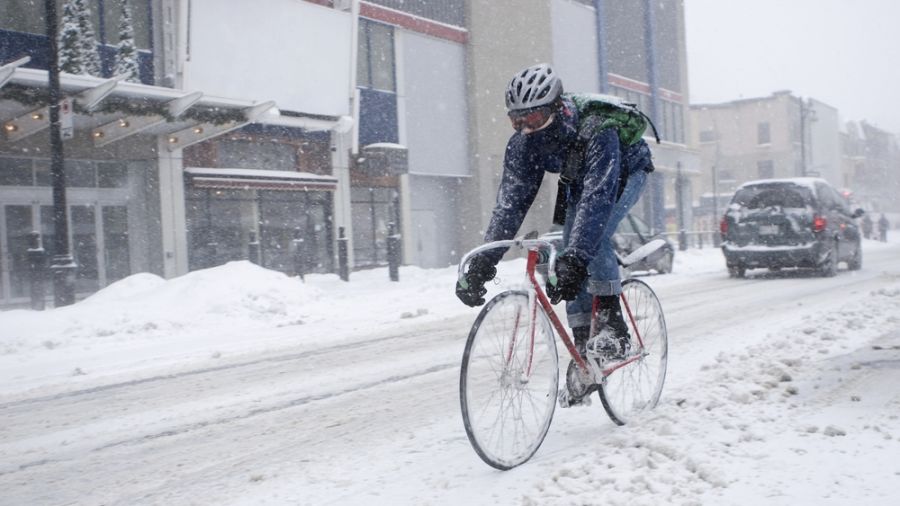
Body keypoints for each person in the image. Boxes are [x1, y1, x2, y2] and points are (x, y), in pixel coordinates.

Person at [455, 63, 655, 364]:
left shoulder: (597, 129)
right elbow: (510, 206)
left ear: (556, 108)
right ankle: (584, 350)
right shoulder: (524, 145)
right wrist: (483, 264)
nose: (526, 128)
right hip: (580, 176)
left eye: (534, 117)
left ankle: (614, 327)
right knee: (566, 252)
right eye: (517, 120)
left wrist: (577, 259)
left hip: (626, 171)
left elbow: (598, 198)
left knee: (590, 241)